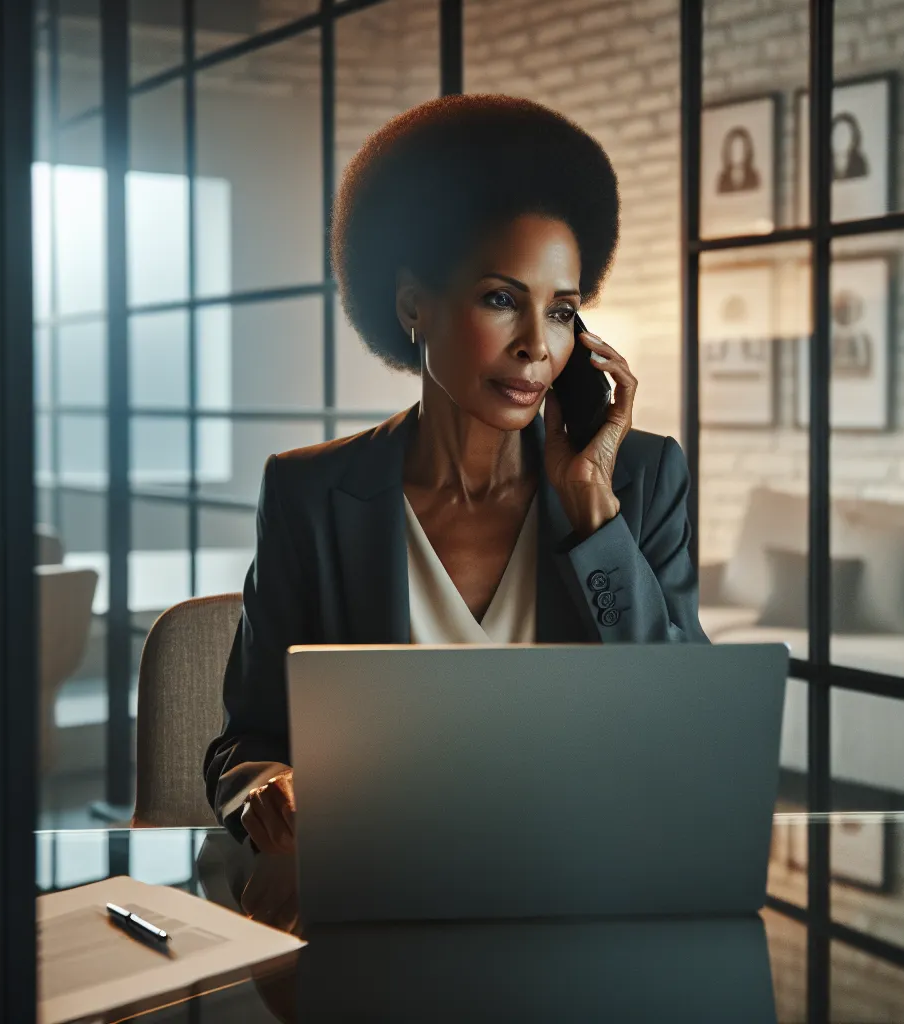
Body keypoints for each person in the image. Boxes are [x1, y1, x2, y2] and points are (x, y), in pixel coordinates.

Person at [203, 95, 708, 853]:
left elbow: (690, 728)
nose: (537, 346)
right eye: (502, 299)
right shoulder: (311, 496)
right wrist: (263, 786)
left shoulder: (638, 482)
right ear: (415, 306)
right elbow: (245, 743)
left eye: (564, 311)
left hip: (588, 875)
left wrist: (595, 515)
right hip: (381, 882)